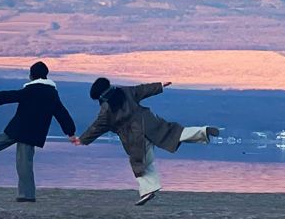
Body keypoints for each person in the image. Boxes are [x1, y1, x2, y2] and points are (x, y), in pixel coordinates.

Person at [77, 77, 218, 205]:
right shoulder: (125, 92)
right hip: (149, 122)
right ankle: (204, 131)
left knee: (140, 162)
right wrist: (160, 85)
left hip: (134, 136)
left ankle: (148, 190)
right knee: (175, 133)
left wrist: (82, 140)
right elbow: (143, 89)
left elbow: (96, 128)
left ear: (101, 97)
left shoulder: (106, 111)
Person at [0, 61, 79, 202]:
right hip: (32, 131)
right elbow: (62, 113)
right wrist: (70, 132)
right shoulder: (52, 94)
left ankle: (27, 195)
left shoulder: (30, 90)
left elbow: (10, 96)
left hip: (22, 129)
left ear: (32, 75)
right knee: (15, 155)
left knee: (20, 160)